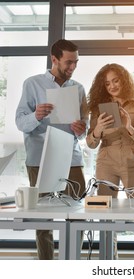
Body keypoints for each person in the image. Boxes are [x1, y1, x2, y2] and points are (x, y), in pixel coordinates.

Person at [15, 39, 88, 260]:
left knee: (79, 214)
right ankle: (46, 264)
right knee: (42, 218)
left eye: (75, 62)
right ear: (54, 59)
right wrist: (36, 116)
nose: (72, 67)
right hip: (39, 158)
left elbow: (85, 129)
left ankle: (71, 260)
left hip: (71, 159)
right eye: (68, 62)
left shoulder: (78, 88)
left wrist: (81, 129)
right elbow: (20, 122)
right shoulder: (32, 84)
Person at [86, 63, 134, 260]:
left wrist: (128, 126)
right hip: (105, 162)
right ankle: (109, 262)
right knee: (105, 214)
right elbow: (91, 143)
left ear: (123, 80)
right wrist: (98, 128)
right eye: (107, 84)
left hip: (132, 161)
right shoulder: (98, 109)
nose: (112, 86)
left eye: (115, 80)